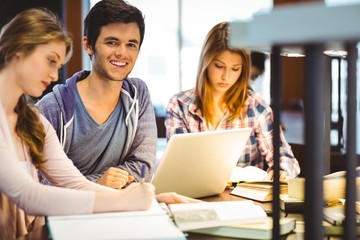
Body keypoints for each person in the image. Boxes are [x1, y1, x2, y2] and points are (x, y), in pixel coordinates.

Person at [0, 8, 197, 239]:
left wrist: (148, 200)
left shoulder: (33, 120)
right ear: (19, 52)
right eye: (50, 61)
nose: (54, 75)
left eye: (58, 65)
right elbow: (29, 195)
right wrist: (127, 199)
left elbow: (75, 183)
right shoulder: (47, 108)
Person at [36, 0, 156, 189]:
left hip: (123, 210)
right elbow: (36, 184)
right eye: (112, 42)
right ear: (88, 45)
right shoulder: (51, 108)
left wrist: (99, 185)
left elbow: (143, 169)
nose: (122, 53)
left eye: (131, 44)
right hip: (70, 215)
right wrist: (97, 184)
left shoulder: (138, 94)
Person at [165, 22, 300, 181]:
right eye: (219, 66)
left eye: (235, 68)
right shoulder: (180, 105)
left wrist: (281, 170)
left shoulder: (254, 104)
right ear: (206, 62)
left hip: (246, 200)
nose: (226, 77)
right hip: (196, 198)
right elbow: (179, 165)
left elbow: (286, 158)